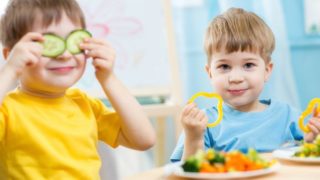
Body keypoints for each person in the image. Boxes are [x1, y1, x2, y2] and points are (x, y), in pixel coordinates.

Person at [0, 0, 156, 178]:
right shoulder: (7, 109)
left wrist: (108, 79)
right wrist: (9, 70)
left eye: (74, 40)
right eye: (46, 44)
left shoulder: (84, 104)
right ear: (10, 54)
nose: (64, 55)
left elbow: (144, 140)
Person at [170, 8, 320, 162]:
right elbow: (188, 172)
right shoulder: (202, 124)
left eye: (248, 65)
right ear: (210, 73)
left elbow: (304, 164)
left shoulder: (289, 117)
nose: (235, 78)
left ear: (267, 71)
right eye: (224, 67)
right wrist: (194, 139)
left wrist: (311, 142)